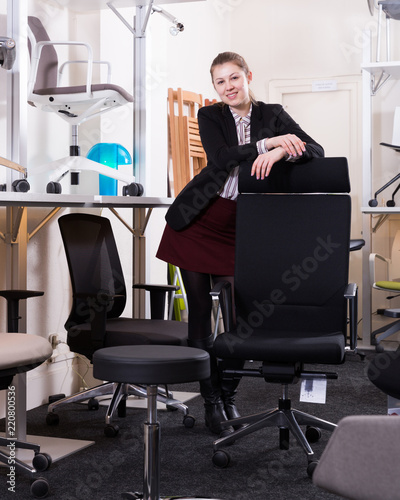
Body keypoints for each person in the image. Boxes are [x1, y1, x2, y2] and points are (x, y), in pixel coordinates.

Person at [157, 51, 324, 435]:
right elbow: (221, 158)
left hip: (242, 228)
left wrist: (283, 148)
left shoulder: (273, 114)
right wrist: (268, 146)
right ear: (214, 87)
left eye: (234, 78)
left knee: (241, 318)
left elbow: (316, 150)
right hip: (198, 220)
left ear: (248, 76)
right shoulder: (210, 116)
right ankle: (212, 402)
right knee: (200, 310)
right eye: (220, 82)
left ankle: (228, 395)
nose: (228, 87)